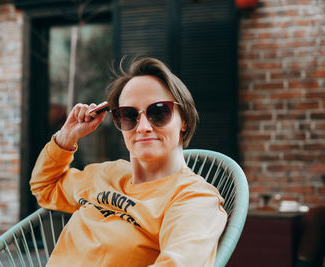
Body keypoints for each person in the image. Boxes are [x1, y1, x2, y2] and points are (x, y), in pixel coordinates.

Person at [30, 57, 227, 266]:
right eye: (128, 115)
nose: (142, 127)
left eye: (158, 111)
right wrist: (66, 136)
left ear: (184, 120)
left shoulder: (193, 198)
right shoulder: (106, 173)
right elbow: (45, 187)